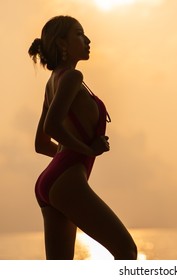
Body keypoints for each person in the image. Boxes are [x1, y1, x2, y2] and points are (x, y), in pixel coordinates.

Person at [28, 15, 137, 260]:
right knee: (127, 251)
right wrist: (87, 150)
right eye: (79, 34)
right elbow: (52, 126)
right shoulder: (72, 78)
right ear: (62, 44)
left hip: (50, 181)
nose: (87, 40)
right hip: (68, 180)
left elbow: (41, 144)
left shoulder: (51, 83)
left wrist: (68, 151)